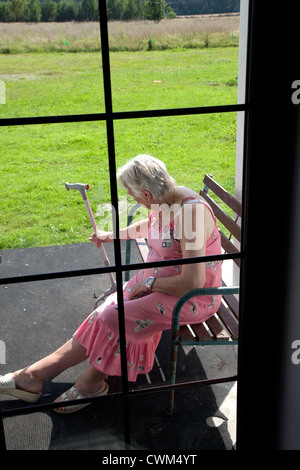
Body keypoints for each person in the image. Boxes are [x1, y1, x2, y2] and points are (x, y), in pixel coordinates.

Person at [0, 154, 222, 413]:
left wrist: (149, 283)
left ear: (147, 196)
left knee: (118, 316)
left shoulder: (190, 214)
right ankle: (33, 376)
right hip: (159, 281)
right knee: (104, 313)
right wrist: (111, 236)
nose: (133, 199)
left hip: (191, 297)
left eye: (133, 195)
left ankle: (91, 383)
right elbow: (151, 224)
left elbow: (192, 281)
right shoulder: (169, 196)